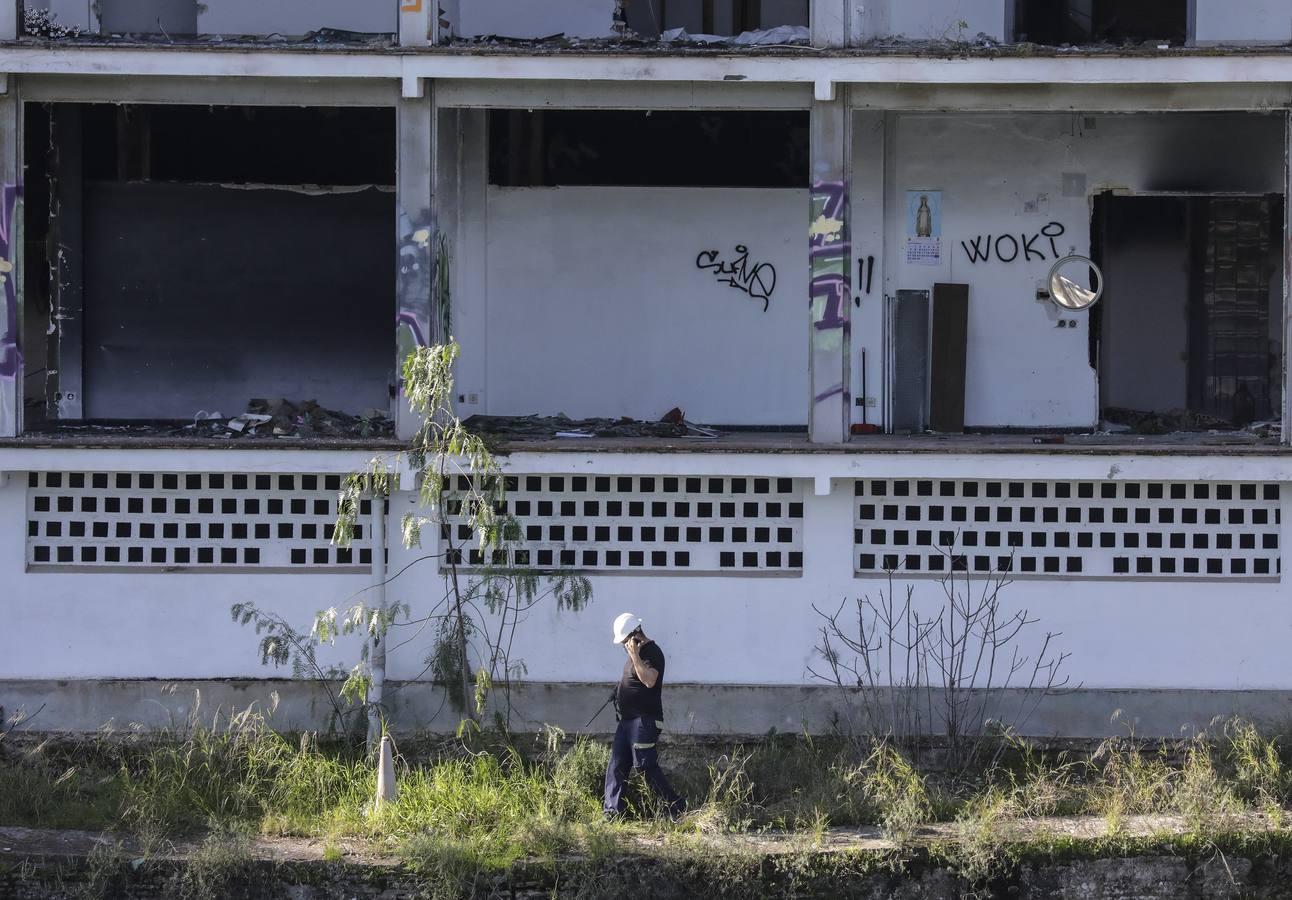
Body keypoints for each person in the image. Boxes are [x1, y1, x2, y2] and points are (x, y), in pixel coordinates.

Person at [603, 612, 686, 820]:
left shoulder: (652, 652)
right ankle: (612, 813)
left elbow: (649, 680)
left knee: (645, 766)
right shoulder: (637, 656)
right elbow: (634, 680)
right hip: (627, 722)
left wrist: (634, 656)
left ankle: (675, 806)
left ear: (634, 636)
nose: (624, 646)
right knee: (617, 764)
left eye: (625, 642)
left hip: (644, 720)